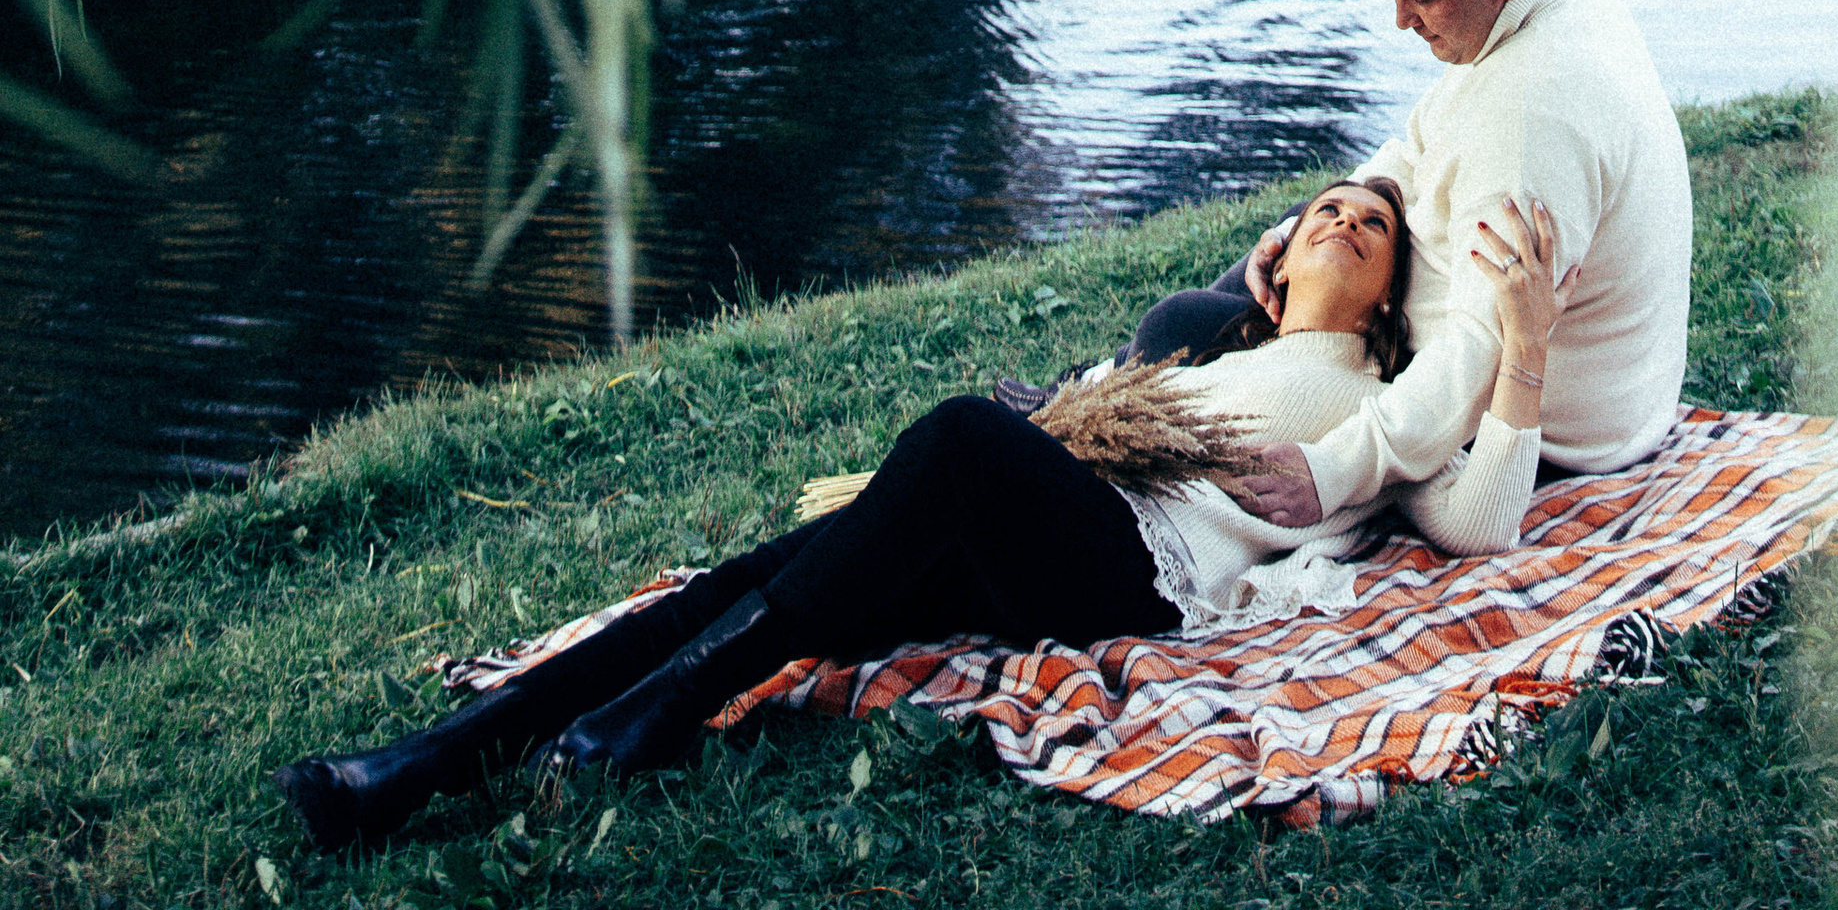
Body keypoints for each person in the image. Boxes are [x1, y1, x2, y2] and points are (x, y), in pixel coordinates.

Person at [276, 176, 1563, 853]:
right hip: (1032, 529)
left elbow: (1480, 521)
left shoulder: (1378, 405)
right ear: (1277, 260)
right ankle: (419, 769)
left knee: (960, 436)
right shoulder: (1205, 350)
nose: (1343, 221)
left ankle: (667, 708)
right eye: (1324, 209)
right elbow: (1191, 310)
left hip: (1131, 572)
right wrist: (1251, 274)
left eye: (1373, 224)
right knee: (739, 581)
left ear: (1393, 293)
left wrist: (1522, 348)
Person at [1222, 0, 1693, 535]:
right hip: (1625, 396)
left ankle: (1093, 413)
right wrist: (1303, 229)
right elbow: (1417, 148)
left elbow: (1480, 348)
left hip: (1553, 431)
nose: (1401, 20)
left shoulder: (1529, 120)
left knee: (1187, 325)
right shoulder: (1560, 7)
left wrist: (1332, 472)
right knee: (1278, 251)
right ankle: (1096, 398)